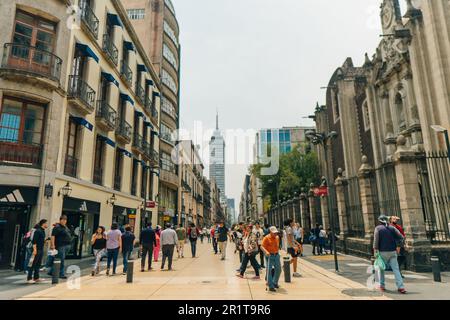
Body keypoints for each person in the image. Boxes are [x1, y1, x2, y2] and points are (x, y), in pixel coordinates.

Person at [373, 215, 406, 294]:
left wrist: (375, 251)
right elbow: (401, 237)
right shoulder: (392, 228)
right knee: (396, 269)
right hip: (392, 251)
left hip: (382, 251)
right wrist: (398, 245)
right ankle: (401, 287)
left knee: (381, 269)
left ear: (379, 221)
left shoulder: (378, 228)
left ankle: (382, 285)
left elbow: (376, 241)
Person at [261, 226, 282, 292]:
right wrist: (266, 251)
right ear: (270, 232)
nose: (275, 234)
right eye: (274, 233)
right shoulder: (266, 238)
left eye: (276, 233)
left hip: (276, 255)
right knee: (269, 270)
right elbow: (261, 247)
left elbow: (277, 246)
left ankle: (275, 282)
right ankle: (271, 286)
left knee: (278, 269)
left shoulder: (277, 237)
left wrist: (278, 251)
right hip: (269, 256)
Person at [27, 219, 48, 284]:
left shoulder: (43, 231)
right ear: (43, 224)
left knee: (38, 264)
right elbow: (34, 241)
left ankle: (36, 277)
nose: (47, 224)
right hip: (36, 250)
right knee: (32, 264)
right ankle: (29, 278)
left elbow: (40, 240)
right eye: (46, 223)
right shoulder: (38, 231)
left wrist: (45, 241)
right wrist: (35, 250)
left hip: (40, 249)